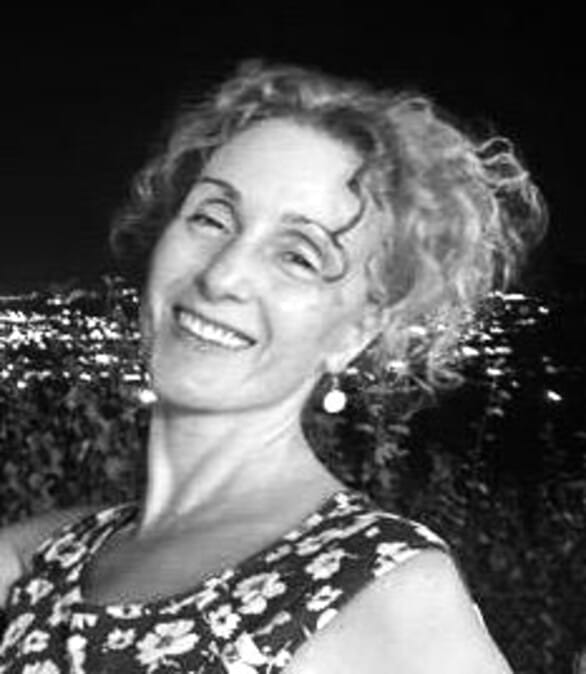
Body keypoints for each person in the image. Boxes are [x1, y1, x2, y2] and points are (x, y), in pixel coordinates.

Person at [0, 59, 545, 672]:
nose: (224, 274)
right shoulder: (53, 560)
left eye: (298, 256)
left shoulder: (378, 588)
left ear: (358, 331)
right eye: (211, 218)